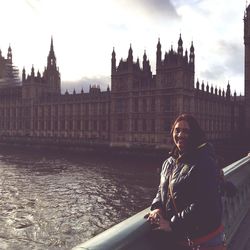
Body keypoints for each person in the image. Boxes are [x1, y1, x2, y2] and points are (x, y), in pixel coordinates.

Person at [146, 113, 226, 250]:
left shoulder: (204, 161)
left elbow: (205, 203)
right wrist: (157, 207)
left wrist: (172, 224)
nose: (180, 135)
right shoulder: (168, 163)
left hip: (204, 240)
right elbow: (161, 190)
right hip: (181, 240)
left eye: (186, 131)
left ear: (194, 134)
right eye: (177, 130)